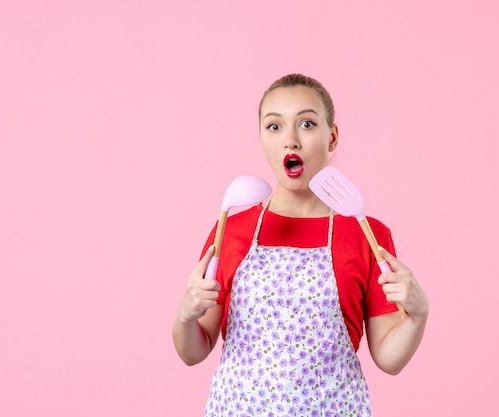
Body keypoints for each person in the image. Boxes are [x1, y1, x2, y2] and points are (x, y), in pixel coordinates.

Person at [172, 73, 429, 416]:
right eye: (274, 127)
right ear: (262, 139)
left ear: (332, 136)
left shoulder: (368, 235)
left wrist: (418, 315)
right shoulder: (230, 230)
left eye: (307, 124)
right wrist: (186, 315)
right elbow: (194, 351)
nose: (290, 140)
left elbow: (388, 358)